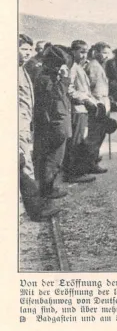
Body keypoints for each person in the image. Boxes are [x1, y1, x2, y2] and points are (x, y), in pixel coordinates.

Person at [19, 35, 62, 221]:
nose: (28, 53)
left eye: (29, 49)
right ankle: (36, 210)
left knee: (23, 165)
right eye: (23, 49)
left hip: (23, 123)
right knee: (25, 166)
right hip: (16, 124)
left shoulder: (21, 69)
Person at [33, 45, 73, 201]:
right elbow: (57, 97)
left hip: (52, 124)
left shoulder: (45, 76)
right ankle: (47, 191)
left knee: (50, 159)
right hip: (55, 125)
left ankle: (47, 188)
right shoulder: (47, 78)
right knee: (53, 159)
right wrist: (64, 79)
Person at [63, 40, 99, 183]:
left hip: (82, 109)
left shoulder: (78, 66)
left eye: (86, 52)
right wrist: (86, 100)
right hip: (77, 109)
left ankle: (76, 170)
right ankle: (73, 173)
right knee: (76, 142)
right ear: (73, 51)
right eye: (82, 52)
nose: (84, 55)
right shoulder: (72, 67)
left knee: (79, 140)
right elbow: (69, 90)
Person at [84, 41, 112, 173]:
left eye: (108, 53)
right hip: (98, 105)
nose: (107, 56)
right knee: (96, 135)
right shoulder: (94, 66)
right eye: (104, 53)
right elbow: (90, 87)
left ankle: (92, 159)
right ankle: (90, 163)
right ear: (96, 53)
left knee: (99, 134)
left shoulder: (99, 65)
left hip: (102, 103)